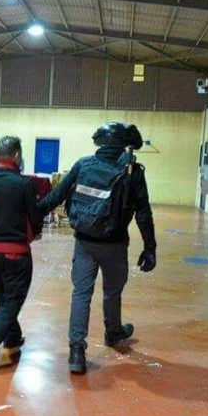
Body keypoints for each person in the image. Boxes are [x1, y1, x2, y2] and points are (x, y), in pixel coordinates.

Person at [38, 122, 157, 374]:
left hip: (85, 242)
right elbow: (143, 213)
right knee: (112, 292)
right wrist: (150, 247)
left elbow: (56, 196)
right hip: (115, 245)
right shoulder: (132, 172)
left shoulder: (83, 165)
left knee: (81, 294)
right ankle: (113, 332)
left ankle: (76, 352)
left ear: (99, 142)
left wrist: (30, 216)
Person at [0, 136, 43, 367]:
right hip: (15, 251)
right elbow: (34, 219)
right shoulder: (25, 184)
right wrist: (36, 231)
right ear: (16, 155)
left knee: (4, 298)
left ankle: (13, 336)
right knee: (12, 301)